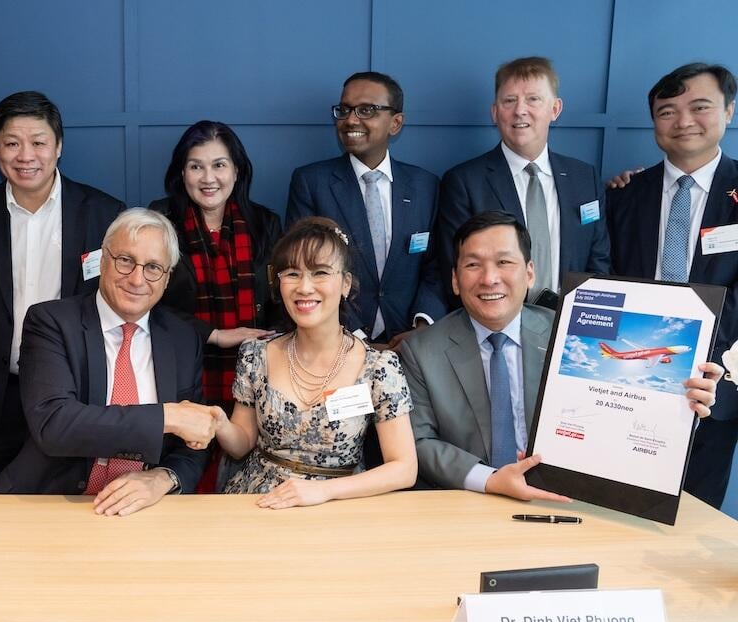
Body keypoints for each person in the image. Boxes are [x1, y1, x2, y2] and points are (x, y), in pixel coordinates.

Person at [401, 210, 720, 499]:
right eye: (473, 265)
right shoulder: (421, 351)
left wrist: (682, 405)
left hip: (569, 498)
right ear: (455, 280)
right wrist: (491, 479)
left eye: (504, 262)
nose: (489, 278)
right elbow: (419, 443)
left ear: (529, 274)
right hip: (466, 501)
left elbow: (623, 407)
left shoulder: (570, 332)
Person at [0, 91, 125, 492]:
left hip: (77, 391)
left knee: (72, 504)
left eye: (38, 142)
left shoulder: (102, 211)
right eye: (12, 143)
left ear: (58, 146)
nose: (26, 155)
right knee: (1, 503)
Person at [0, 208, 214, 516]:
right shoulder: (51, 322)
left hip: (141, 511)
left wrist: (162, 478)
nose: (137, 279)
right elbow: (56, 424)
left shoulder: (182, 338)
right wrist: (168, 417)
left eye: (153, 267)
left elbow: (194, 442)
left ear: (167, 279)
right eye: (125, 260)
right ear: (102, 260)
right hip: (50, 504)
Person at [212, 217, 418, 508]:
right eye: (292, 274)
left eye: (320, 273)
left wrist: (324, 491)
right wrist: (219, 424)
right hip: (259, 500)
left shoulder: (379, 368)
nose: (305, 287)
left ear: (345, 284)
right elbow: (242, 442)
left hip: (340, 504)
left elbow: (404, 468)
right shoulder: (255, 354)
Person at [606, 63, 738, 509]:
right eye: (667, 111)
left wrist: (698, 350)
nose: (683, 121)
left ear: (729, 111)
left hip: (714, 384)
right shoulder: (623, 195)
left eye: (699, 107)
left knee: (698, 514)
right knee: (616, 508)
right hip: (625, 388)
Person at [148, 121, 282, 491]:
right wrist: (215, 335)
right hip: (180, 369)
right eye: (196, 166)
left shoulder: (265, 223)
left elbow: (280, 300)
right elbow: (145, 301)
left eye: (219, 165)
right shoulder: (159, 221)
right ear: (182, 172)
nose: (209, 178)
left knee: (238, 478)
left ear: (237, 171)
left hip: (251, 375)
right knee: (182, 473)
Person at [433, 56, 609, 308]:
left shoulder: (585, 178)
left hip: (570, 325)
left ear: (555, 109)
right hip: (496, 327)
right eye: (509, 100)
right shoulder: (463, 182)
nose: (520, 110)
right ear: (495, 112)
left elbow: (598, 261)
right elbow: (458, 268)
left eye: (533, 99)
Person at [285, 71, 444, 349]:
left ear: (396, 123)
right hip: (337, 343)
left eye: (366, 110)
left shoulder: (425, 185)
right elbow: (304, 269)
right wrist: (355, 337)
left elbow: (436, 267)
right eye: (344, 110)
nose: (351, 120)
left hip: (410, 344)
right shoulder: (311, 183)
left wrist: (421, 327)